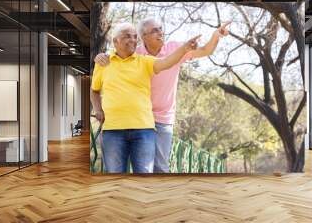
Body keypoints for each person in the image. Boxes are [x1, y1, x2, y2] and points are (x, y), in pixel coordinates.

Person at [95, 18, 230, 173]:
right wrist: (101, 56)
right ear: (143, 37)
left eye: (160, 28)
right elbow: (115, 56)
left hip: (163, 118)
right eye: (155, 30)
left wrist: (216, 35)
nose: (160, 32)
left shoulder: (175, 48)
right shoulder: (135, 52)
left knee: (160, 166)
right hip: (139, 118)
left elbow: (205, 50)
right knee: (136, 167)